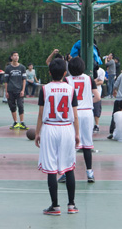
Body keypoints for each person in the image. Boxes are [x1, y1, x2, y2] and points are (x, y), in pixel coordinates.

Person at [35, 58, 80, 216]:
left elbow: (41, 114)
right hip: (67, 128)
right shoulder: (70, 89)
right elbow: (75, 115)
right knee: (69, 167)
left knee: (51, 169)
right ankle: (72, 205)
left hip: (50, 128)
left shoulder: (45, 89)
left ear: (49, 73)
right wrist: (77, 133)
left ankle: (55, 206)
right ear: (65, 73)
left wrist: (37, 133)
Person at [59, 57, 100, 183]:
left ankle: (66, 172)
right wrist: (87, 103)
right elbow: (97, 97)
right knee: (87, 145)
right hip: (87, 113)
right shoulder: (89, 78)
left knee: (71, 143)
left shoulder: (66, 80)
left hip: (73, 113)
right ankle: (90, 173)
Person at [5, 51, 28, 130]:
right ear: (11, 57)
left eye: (17, 55)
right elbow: (6, 81)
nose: (16, 57)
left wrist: (23, 90)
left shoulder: (22, 67)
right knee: (12, 106)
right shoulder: (8, 68)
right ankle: (15, 122)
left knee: (20, 105)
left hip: (19, 90)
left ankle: (22, 122)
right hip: (11, 90)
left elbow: (24, 80)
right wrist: (6, 91)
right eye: (14, 55)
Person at [93, 65, 105, 132]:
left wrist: (94, 83)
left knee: (96, 110)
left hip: (97, 93)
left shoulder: (101, 71)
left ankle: (97, 125)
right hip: (88, 93)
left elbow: (101, 82)